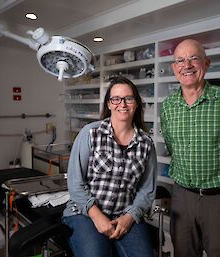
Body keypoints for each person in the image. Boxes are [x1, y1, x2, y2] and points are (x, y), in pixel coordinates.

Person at [160, 39, 220, 257]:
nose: (187, 65)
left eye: (194, 58)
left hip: (219, 199)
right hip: (182, 198)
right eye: (180, 60)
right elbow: (171, 146)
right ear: (174, 67)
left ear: (207, 62)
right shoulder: (168, 107)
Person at [62, 76, 157, 257]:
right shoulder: (91, 133)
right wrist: (97, 217)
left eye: (128, 98)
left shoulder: (146, 143)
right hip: (85, 213)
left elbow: (147, 190)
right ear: (108, 104)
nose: (122, 104)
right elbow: (75, 182)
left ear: (136, 103)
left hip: (125, 214)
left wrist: (129, 218)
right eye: (116, 99)